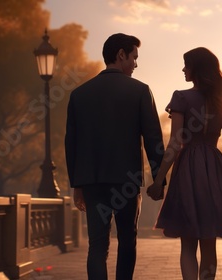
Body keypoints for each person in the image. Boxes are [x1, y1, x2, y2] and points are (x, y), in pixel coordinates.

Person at [147, 47, 222, 280]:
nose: (183, 69)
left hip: (188, 169)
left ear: (196, 70)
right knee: (209, 245)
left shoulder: (181, 97)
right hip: (215, 169)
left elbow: (175, 144)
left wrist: (158, 181)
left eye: (186, 65)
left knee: (188, 245)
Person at [65, 33, 165, 280]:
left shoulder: (79, 94)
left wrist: (76, 184)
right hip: (126, 182)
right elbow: (153, 139)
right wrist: (159, 179)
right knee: (127, 241)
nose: (136, 64)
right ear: (121, 55)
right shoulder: (140, 91)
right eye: (134, 57)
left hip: (92, 181)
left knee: (97, 246)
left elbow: (72, 144)